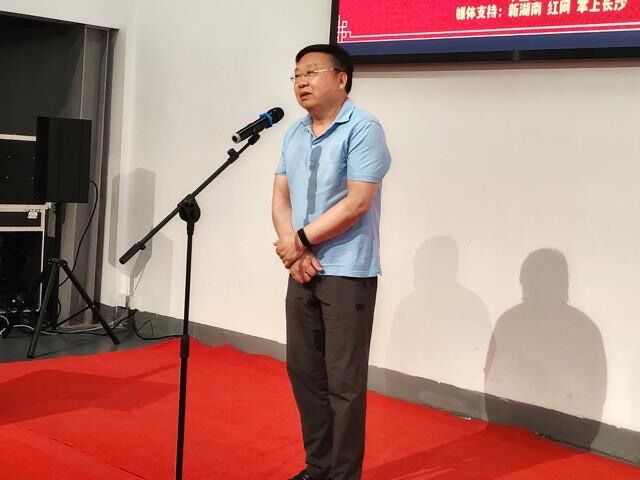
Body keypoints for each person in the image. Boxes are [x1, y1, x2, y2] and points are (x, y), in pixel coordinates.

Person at [271, 44, 391, 480]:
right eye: (296, 74)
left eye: (311, 72)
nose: (301, 82)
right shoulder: (294, 132)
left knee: (343, 382)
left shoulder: (363, 128)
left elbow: (357, 202)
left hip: (346, 270)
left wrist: (300, 241)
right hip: (301, 269)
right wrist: (293, 249)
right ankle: (318, 467)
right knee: (304, 373)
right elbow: (280, 194)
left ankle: (343, 475)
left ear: (342, 79)